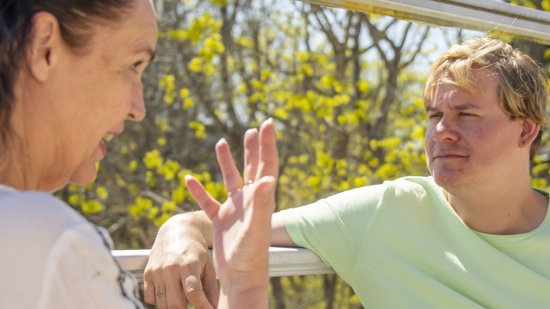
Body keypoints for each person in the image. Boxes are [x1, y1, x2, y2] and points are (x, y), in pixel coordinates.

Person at [144, 37, 550, 308]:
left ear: (526, 129)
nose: (442, 132)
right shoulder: (384, 213)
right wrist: (178, 233)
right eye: (434, 115)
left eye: (466, 114)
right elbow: (235, 227)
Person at [0, 1, 274, 308]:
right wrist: (245, 283)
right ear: (43, 48)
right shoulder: (44, 242)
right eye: (133, 65)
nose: (138, 110)